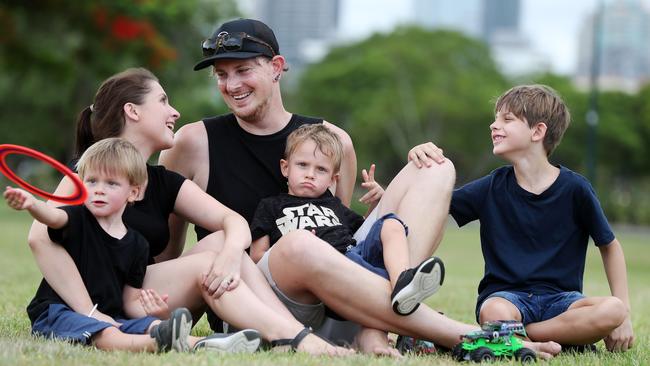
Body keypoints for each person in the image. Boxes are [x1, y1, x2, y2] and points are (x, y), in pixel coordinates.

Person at [161, 18, 562, 358]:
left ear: (277, 67)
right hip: (260, 298)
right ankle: (462, 337)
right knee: (300, 243)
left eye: (243, 70)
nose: (231, 85)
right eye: (222, 75)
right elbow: (170, 253)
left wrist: (383, 204)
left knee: (435, 166)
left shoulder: (333, 139)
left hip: (337, 301)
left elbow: (345, 239)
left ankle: (378, 325)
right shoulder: (194, 142)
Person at [26, 67, 351, 356]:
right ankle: (292, 336)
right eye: (164, 101)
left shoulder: (164, 182)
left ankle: (288, 331)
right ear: (133, 111)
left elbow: (232, 221)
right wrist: (89, 311)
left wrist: (228, 253)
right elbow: (40, 239)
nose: (175, 112)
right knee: (214, 255)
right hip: (87, 302)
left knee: (222, 242)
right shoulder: (89, 172)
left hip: (135, 300)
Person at [408, 84, 634, 352]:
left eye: (507, 119)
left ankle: (519, 337)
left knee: (613, 310)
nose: (494, 125)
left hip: (563, 302)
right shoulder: (492, 186)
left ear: (537, 131)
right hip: (507, 299)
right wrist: (397, 185)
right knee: (493, 311)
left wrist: (625, 318)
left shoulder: (576, 189)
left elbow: (610, 246)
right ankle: (554, 338)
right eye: (495, 119)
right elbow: (433, 203)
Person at [4, 138, 196, 352]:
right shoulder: (77, 218)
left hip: (108, 315)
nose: (99, 190)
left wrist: (156, 313)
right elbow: (53, 217)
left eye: (111, 183)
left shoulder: (138, 245)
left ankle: (203, 343)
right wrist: (33, 205)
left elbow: (129, 301)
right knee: (107, 332)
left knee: (151, 325)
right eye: (92, 181)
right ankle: (157, 342)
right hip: (58, 313)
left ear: (133, 192)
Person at [250, 124, 444, 317]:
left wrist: (377, 204)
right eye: (302, 165)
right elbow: (257, 257)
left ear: (332, 179)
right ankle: (414, 308)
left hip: (355, 260)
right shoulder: (271, 206)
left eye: (321, 170)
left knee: (390, 223)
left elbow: (364, 234)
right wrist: (296, 247)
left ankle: (402, 281)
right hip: (323, 275)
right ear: (285, 168)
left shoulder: (333, 205)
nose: (310, 174)